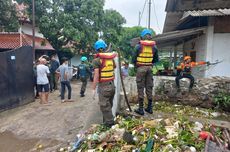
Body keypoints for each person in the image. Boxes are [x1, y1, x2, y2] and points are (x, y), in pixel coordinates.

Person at [132, 29, 159, 115]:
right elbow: (155, 60)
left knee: (140, 88)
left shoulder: (138, 46)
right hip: (150, 68)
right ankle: (150, 108)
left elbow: (133, 59)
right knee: (149, 87)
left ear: (142, 37)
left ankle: (140, 109)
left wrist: (137, 66)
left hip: (141, 68)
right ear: (150, 37)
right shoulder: (154, 47)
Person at [92, 39, 116, 127]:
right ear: (105, 48)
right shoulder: (110, 58)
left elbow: (96, 76)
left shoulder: (96, 60)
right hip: (112, 85)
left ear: (96, 49)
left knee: (104, 106)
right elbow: (115, 66)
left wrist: (93, 89)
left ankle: (110, 124)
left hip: (104, 86)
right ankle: (106, 123)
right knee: (108, 105)